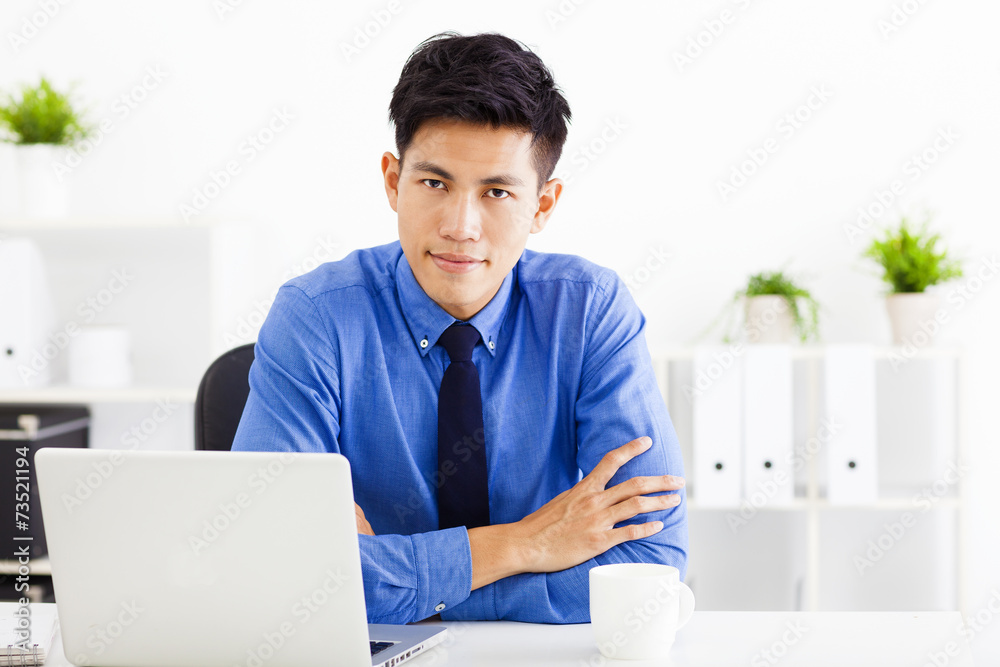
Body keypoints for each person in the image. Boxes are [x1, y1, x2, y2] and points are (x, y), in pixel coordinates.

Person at [231, 31, 687, 624]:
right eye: (434, 183)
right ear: (394, 181)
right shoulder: (316, 317)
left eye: (497, 191)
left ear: (542, 206)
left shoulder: (590, 312)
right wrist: (523, 545)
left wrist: (389, 579)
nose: (460, 226)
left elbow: (650, 565)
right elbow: (273, 568)